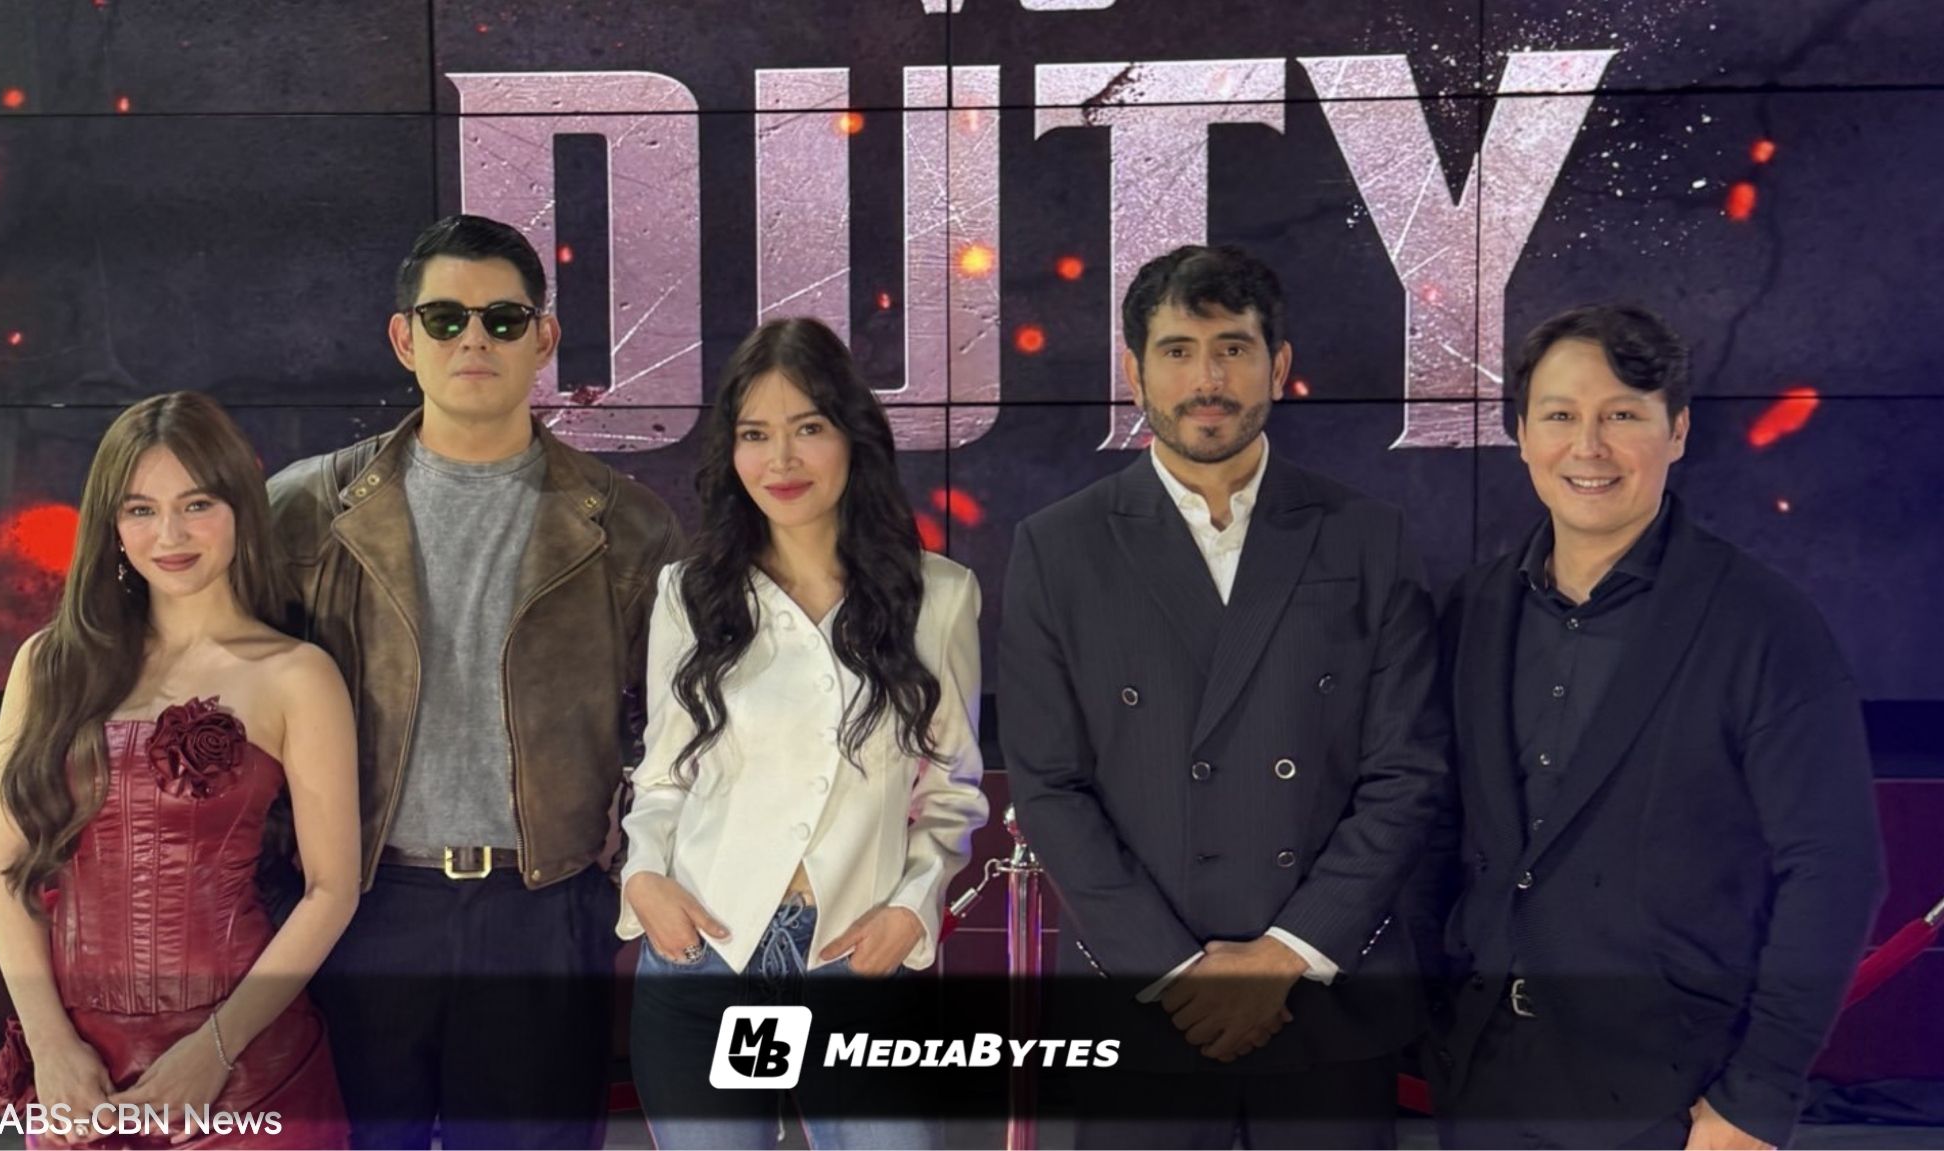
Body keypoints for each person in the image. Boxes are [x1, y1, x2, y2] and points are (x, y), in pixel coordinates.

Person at [998, 244, 1449, 1148]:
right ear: (1135, 373)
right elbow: (1048, 783)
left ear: (1278, 366)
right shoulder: (1060, 547)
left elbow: (1407, 772)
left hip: (1325, 997)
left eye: (1233, 349)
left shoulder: (1367, 537)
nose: (1207, 380)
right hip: (1145, 1002)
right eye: (1178, 351)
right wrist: (1176, 974)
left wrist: (1287, 954)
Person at [265, 214, 682, 1149]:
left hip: (542, 910)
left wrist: (616, 874)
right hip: (360, 904)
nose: (475, 340)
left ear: (545, 337)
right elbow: (239, 705)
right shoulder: (305, 510)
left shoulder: (627, 525)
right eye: (446, 318)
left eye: (503, 318)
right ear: (403, 337)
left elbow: (678, 728)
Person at [1427, 303, 1886, 1149]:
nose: (1588, 446)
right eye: (1560, 415)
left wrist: (1758, 1093)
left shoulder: (1764, 625)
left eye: (1623, 416)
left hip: (1672, 1105)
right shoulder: (1471, 610)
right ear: (1521, 434)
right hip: (1482, 1086)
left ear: (1677, 431)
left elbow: (1835, 868)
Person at [617, 316, 988, 1150]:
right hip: (706, 951)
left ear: (853, 436)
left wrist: (911, 908)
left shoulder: (938, 596)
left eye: (807, 428)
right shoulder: (690, 592)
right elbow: (664, 773)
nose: (780, 460)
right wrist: (644, 878)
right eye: (755, 434)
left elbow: (954, 791)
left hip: (854, 956)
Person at [0, 391, 359, 1149]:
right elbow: (7, 875)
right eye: (141, 510)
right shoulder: (48, 664)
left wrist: (212, 1051)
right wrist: (52, 1048)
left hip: (246, 1064)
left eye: (196, 504)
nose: (171, 535)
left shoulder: (297, 674)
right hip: (77, 1075)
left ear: (239, 507)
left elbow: (331, 890)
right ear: (112, 524)